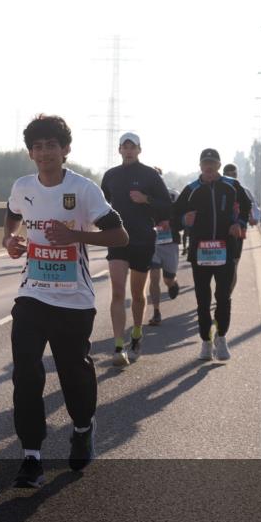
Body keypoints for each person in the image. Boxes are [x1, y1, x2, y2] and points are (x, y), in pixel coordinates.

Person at [4, 114, 128, 488]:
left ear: (65, 149)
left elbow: (119, 236)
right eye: (38, 147)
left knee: (73, 373)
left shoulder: (85, 190)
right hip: (32, 294)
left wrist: (77, 236)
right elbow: (12, 217)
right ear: (30, 152)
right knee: (26, 373)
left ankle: (82, 426)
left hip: (74, 299)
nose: (44, 153)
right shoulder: (23, 187)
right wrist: (11, 240)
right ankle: (31, 456)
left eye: (51, 146)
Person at [100, 133, 172, 366]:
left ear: (139, 150)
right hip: (118, 240)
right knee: (118, 292)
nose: (129, 151)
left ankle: (137, 333)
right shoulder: (110, 176)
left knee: (138, 294)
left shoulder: (149, 175)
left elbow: (167, 207)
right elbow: (102, 205)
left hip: (142, 239)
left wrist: (146, 199)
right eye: (125, 147)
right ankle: (119, 346)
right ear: (119, 150)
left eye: (133, 147)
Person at [173, 150, 251, 362]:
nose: (208, 167)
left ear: (218, 165)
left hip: (225, 250)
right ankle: (206, 342)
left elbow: (246, 205)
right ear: (200, 165)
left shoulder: (232, 186)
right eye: (205, 163)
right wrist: (183, 220)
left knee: (223, 296)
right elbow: (175, 213)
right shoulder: (191, 189)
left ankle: (222, 337)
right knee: (203, 299)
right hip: (201, 251)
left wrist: (239, 224)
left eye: (212, 163)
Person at [147, 166, 181, 326]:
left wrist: (171, 223)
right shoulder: (143, 198)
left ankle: (173, 283)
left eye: (157, 178)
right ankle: (156, 311)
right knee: (153, 278)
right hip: (152, 244)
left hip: (170, 243)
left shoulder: (173, 195)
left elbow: (182, 218)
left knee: (167, 279)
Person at [221, 163, 260, 292]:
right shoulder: (217, 188)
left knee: (234, 265)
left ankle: (227, 295)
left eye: (235, 175)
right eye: (229, 175)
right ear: (224, 174)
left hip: (238, 232)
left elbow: (252, 207)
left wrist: (253, 218)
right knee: (219, 266)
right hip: (220, 232)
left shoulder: (244, 190)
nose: (233, 177)